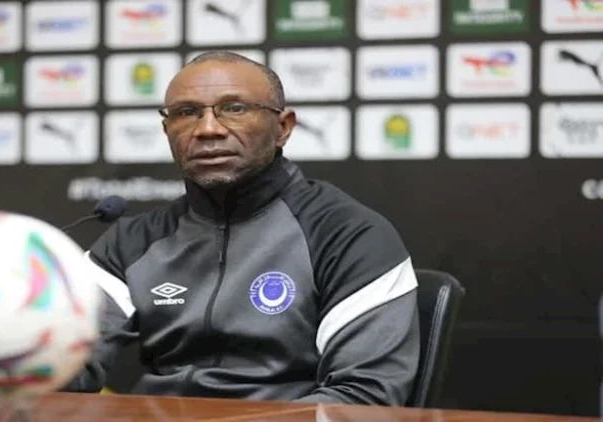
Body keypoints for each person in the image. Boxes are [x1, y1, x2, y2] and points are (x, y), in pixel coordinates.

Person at [63, 51, 420, 405]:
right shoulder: (131, 243)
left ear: (283, 127)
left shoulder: (348, 235)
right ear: (167, 129)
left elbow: (364, 397)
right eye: (186, 112)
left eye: (234, 109)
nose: (208, 129)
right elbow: (62, 369)